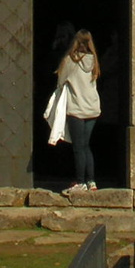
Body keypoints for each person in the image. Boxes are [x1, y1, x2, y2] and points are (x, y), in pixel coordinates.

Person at [57, 29, 102, 192]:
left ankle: (80, 181)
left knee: (78, 147)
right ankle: (91, 182)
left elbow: (61, 82)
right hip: (92, 108)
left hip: (76, 108)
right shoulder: (94, 61)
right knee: (86, 146)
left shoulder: (70, 61)